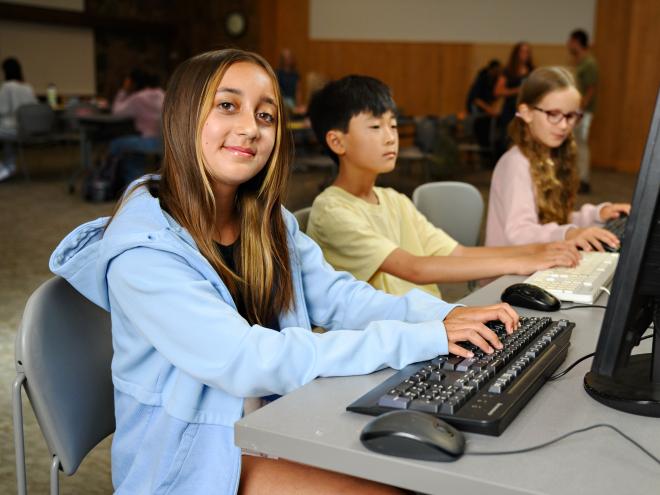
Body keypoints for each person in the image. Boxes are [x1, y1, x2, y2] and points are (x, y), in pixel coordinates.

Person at [50, 48, 521, 494]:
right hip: (191, 459)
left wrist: (442, 317)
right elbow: (247, 359)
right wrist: (423, 338)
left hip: (272, 423)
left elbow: (341, 298)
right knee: (393, 487)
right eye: (228, 106)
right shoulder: (142, 252)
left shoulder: (268, 220)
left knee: (427, 469)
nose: (250, 128)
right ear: (183, 117)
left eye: (265, 115)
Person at [305, 75, 580, 300]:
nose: (390, 138)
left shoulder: (394, 200)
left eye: (394, 125)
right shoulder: (331, 211)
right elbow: (415, 269)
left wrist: (537, 252)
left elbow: (458, 253)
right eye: (376, 127)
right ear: (337, 142)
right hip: (381, 342)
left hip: (424, 325)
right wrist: (523, 263)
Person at [485, 67, 629, 251]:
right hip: (509, 273)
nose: (563, 126)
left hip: (538, 260)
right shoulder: (516, 163)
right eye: (553, 114)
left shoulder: (553, 155)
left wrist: (597, 215)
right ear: (527, 112)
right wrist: (570, 234)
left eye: (571, 116)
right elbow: (520, 233)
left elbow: (553, 220)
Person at [109, 68, 165, 186]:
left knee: (117, 144)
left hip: (148, 141)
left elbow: (116, 112)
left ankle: (117, 179)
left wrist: (124, 90)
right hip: (165, 142)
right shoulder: (162, 94)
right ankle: (135, 180)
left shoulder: (138, 98)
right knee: (133, 150)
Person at [567, 29, 599, 194]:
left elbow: (590, 89)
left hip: (583, 112)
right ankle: (576, 177)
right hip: (576, 110)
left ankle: (584, 179)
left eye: (570, 41)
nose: (568, 44)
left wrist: (580, 110)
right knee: (576, 144)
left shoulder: (589, 63)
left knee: (582, 144)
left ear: (577, 42)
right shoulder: (579, 62)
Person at [494, 42, 534, 158]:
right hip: (510, 110)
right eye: (522, 51)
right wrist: (517, 90)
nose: (525, 54)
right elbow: (498, 91)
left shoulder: (532, 71)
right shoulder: (508, 71)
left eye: (527, 52)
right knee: (508, 139)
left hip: (526, 110)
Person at [0, 57, 37, 181]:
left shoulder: (7, 87)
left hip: (13, 129)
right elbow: (34, 108)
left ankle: (5, 166)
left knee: (5, 132)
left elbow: (2, 110)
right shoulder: (28, 87)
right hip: (28, 130)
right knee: (7, 139)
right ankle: (8, 166)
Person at [275, 48, 301, 113]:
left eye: (289, 57)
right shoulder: (278, 73)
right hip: (281, 101)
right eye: (285, 58)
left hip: (292, 102)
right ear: (282, 59)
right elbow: (276, 90)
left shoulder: (295, 74)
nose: (287, 60)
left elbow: (298, 90)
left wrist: (298, 105)